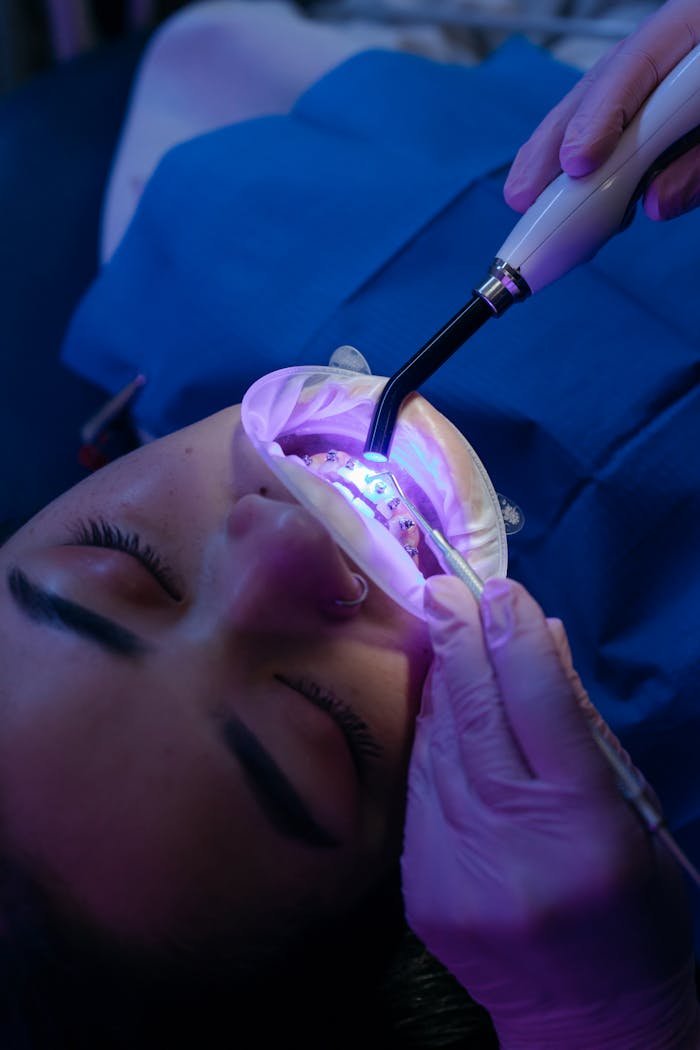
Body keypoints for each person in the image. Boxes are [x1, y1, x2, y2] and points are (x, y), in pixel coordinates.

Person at [3, 2, 700, 1046]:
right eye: (322, 727)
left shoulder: (217, 221)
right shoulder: (652, 827)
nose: (281, 544)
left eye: (123, 562)